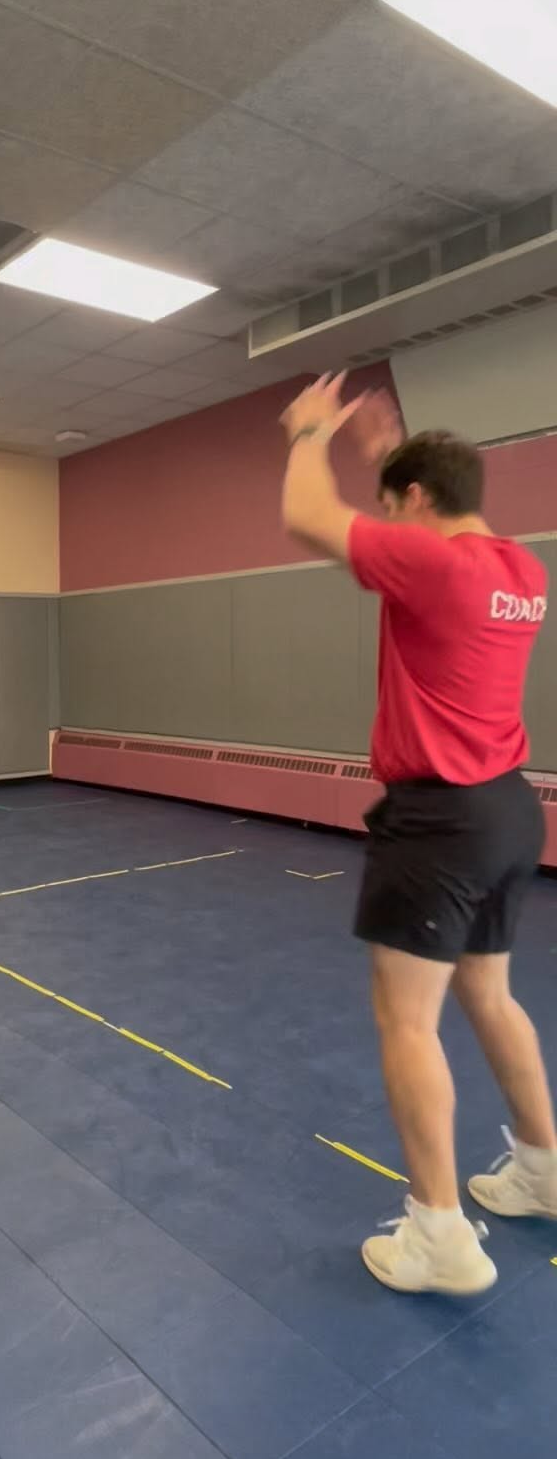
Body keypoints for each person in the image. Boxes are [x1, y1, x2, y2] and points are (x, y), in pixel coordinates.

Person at [280, 371, 555, 1294]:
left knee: (407, 1019)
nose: (388, 517)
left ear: (417, 501)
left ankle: (439, 1235)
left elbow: (307, 516)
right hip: (509, 810)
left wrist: (311, 434)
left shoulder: (432, 567)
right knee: (490, 994)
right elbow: (429, 535)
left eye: (394, 501)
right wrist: (387, 460)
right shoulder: (520, 571)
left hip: (437, 820)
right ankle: (544, 1170)